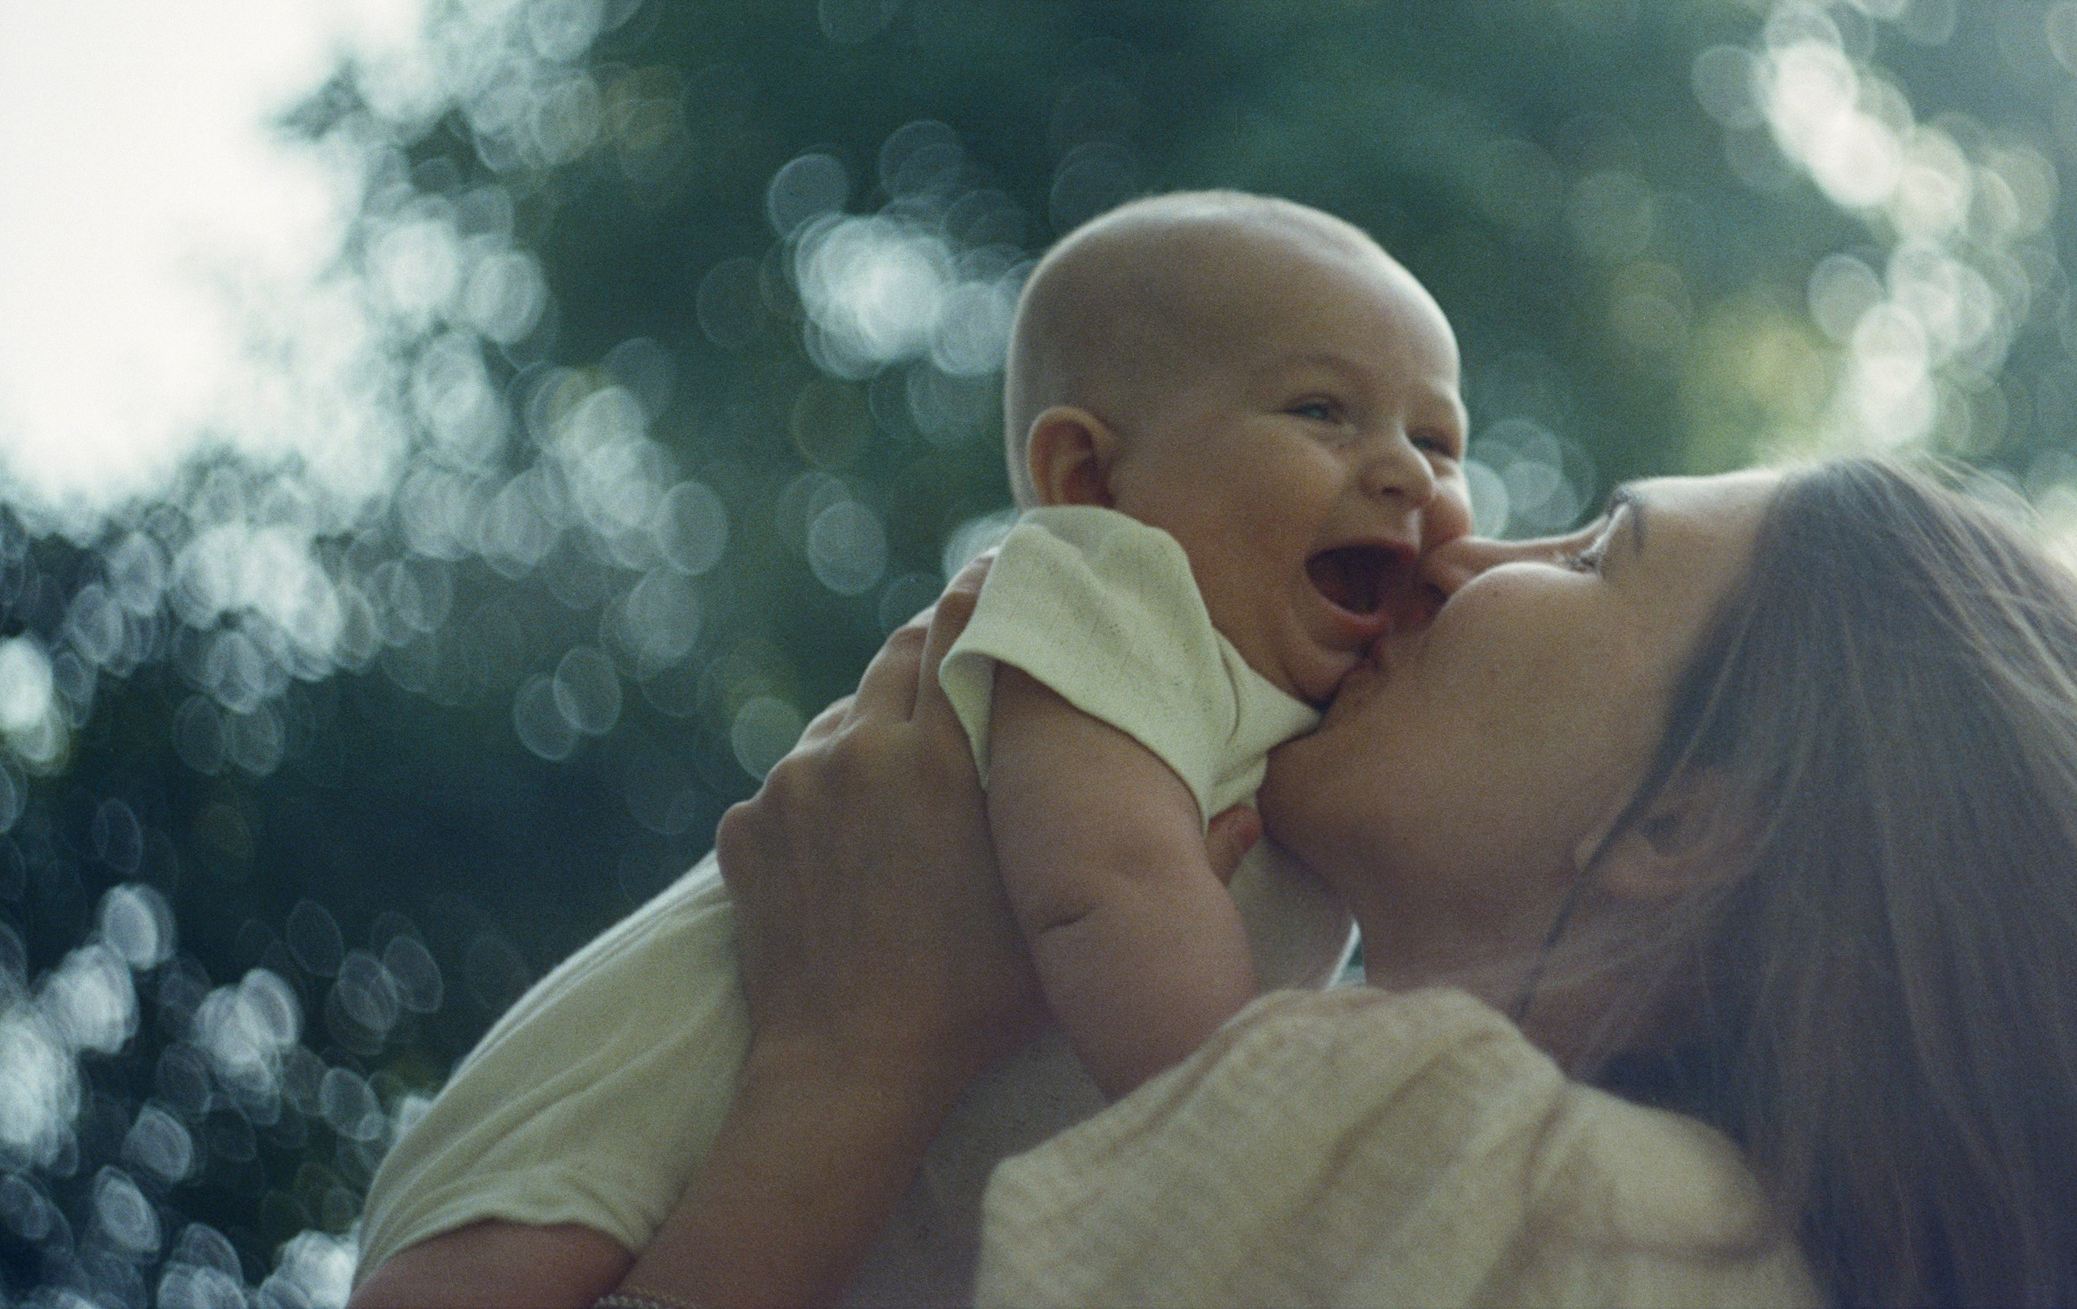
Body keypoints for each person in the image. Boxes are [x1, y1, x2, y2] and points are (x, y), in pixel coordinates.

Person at [360, 459, 2077, 1308]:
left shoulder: (1486, 1195)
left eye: (1592, 546)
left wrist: (846, 1049)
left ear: (1704, 815)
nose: (1461, 544)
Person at [352, 192, 1470, 1300]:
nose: (1408, 472)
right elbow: (1109, 885)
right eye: (1322, 410)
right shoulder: (1110, 590)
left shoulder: (1303, 726)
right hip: (586, 1125)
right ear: (1089, 481)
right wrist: (1281, 1142)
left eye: (1436, 437)